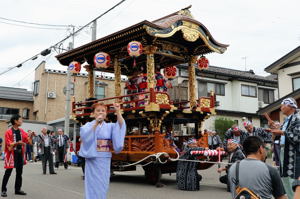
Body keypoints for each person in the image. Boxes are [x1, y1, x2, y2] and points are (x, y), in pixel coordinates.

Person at [79, 102, 126, 199]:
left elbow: (121, 125)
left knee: (103, 182)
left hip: (105, 157)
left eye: (103, 111)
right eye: (98, 110)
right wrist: (96, 122)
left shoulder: (110, 126)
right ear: (93, 113)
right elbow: (84, 135)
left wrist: (117, 111)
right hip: (93, 157)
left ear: (106, 114)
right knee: (92, 182)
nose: (101, 113)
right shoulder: (88, 125)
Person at [269, 98, 300, 199]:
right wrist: (274, 131)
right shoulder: (287, 119)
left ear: (290, 106)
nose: (281, 107)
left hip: (294, 153)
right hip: (284, 150)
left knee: (293, 177)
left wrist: (282, 132)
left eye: (283, 105)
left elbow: (297, 136)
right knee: (285, 177)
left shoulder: (298, 117)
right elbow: (279, 136)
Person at [1, 115, 28, 197]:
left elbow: (27, 140)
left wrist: (31, 136)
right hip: (11, 154)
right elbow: (9, 144)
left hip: (20, 153)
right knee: (8, 172)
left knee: (19, 173)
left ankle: (17, 189)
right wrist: (18, 143)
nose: (21, 120)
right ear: (15, 121)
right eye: (20, 119)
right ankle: (3, 190)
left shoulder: (22, 131)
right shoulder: (8, 132)